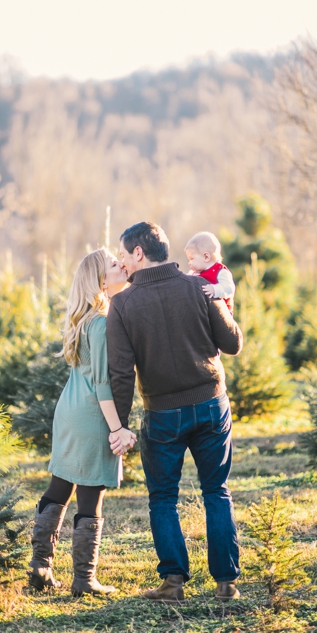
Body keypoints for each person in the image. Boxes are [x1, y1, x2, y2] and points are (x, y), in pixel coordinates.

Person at [106, 221, 244, 602]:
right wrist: (224, 303)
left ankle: (173, 583)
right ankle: (226, 583)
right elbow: (232, 344)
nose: (123, 263)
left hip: (163, 414)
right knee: (216, 490)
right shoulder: (199, 286)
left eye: (124, 254)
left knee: (162, 497)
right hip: (211, 403)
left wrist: (117, 425)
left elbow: (121, 373)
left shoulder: (123, 304)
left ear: (139, 253)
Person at [29, 248, 136, 595]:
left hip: (69, 410)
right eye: (113, 264)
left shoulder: (83, 319)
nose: (121, 265)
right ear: (101, 280)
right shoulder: (103, 323)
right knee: (91, 494)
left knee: (60, 486)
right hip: (91, 414)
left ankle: (40, 567)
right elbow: (103, 384)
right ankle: (84, 580)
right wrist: (117, 427)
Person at [185, 231, 235, 313]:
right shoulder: (195, 273)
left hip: (222, 315)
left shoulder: (220, 271)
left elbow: (229, 289)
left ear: (206, 257)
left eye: (191, 258)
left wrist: (215, 289)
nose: (189, 263)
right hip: (205, 312)